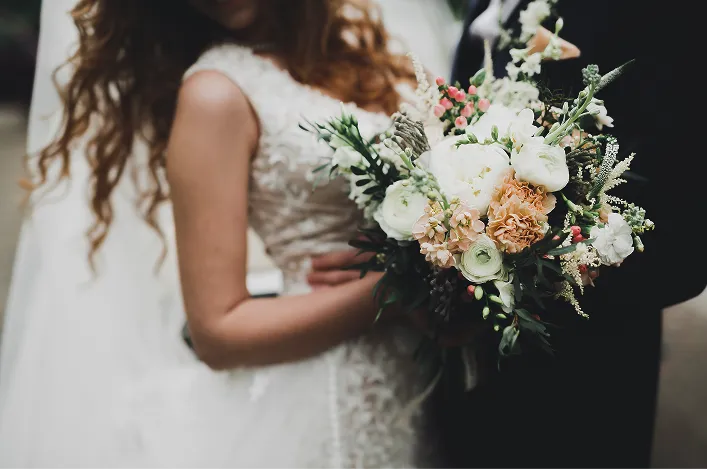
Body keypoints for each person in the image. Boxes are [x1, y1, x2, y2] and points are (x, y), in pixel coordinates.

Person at [0, 1, 466, 467]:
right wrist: (392, 291)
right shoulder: (216, 94)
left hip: (435, 381)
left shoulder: (368, 48)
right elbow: (217, 331)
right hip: (336, 397)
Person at [442, 0, 706, 468]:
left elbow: (682, 243)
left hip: (586, 378)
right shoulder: (486, 8)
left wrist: (538, 266)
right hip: (464, 370)